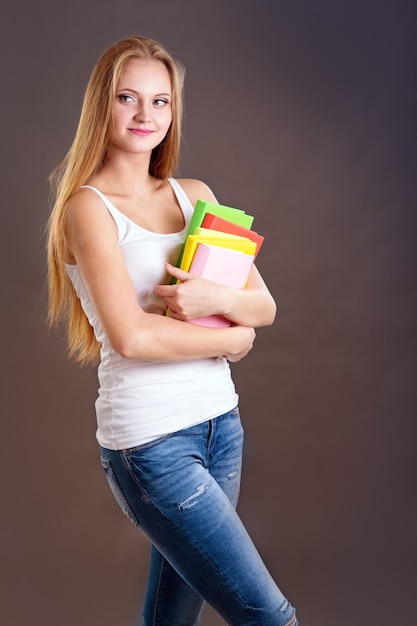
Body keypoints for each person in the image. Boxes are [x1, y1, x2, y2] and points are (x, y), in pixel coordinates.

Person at [46, 35, 298, 626]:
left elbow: (264, 306)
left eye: (160, 102)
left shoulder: (196, 198)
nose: (144, 115)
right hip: (153, 445)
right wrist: (231, 339)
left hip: (220, 428)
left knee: (173, 617)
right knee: (269, 616)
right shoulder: (87, 208)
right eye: (128, 98)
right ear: (101, 106)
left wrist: (215, 299)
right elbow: (132, 337)